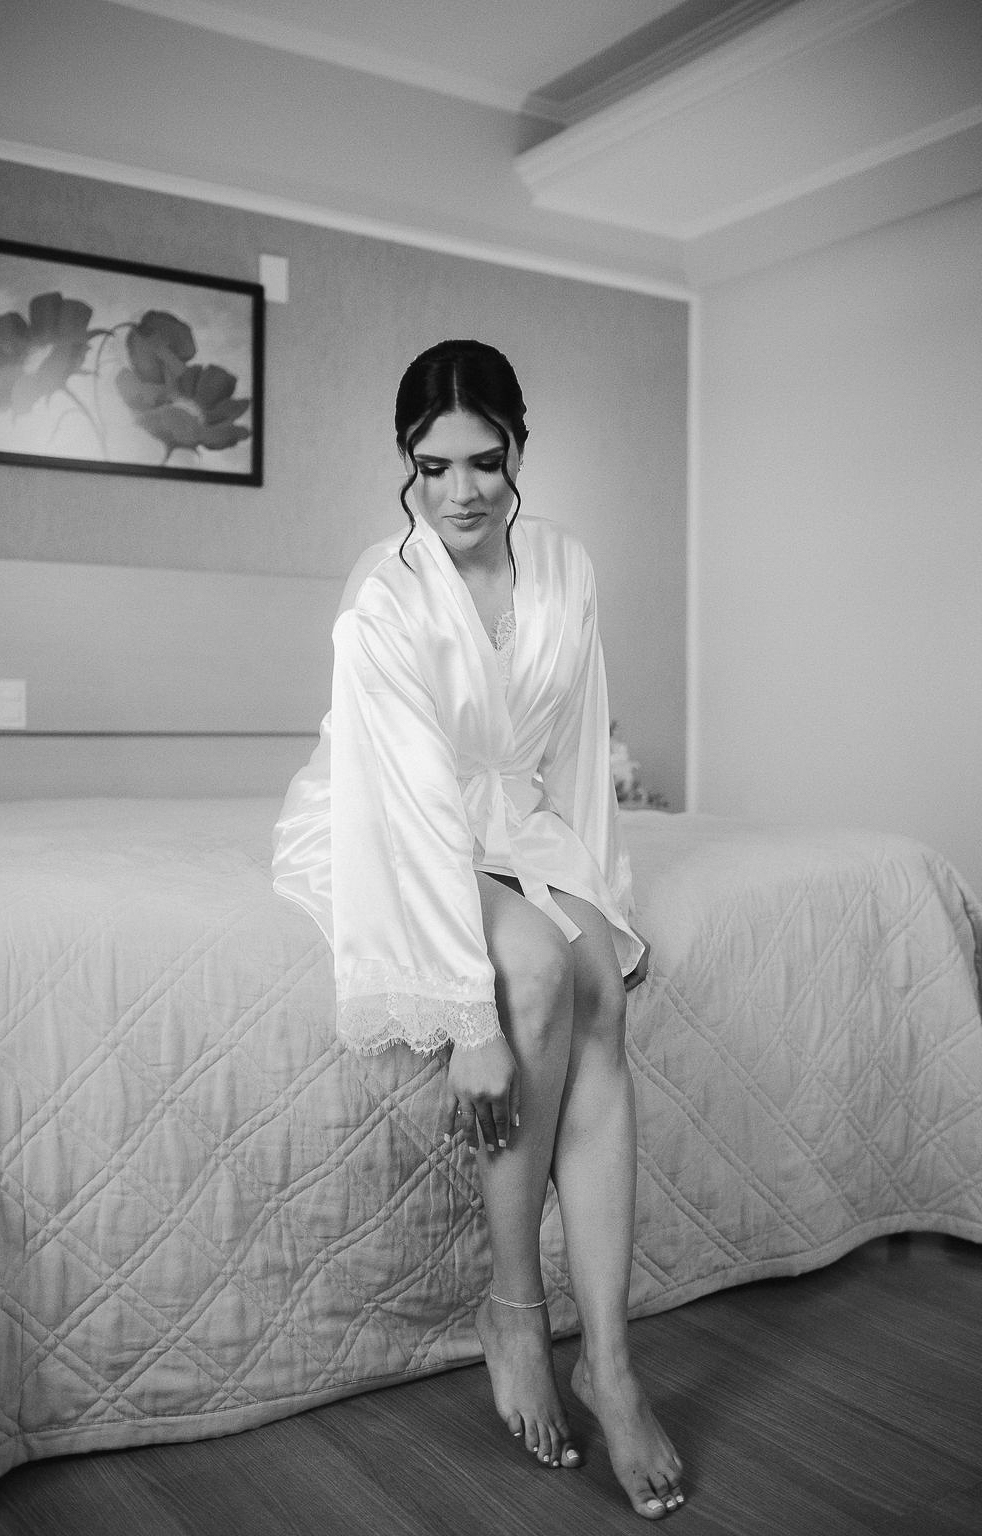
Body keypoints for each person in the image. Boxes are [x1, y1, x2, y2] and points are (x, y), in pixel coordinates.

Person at [272, 339, 684, 1520]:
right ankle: (514, 1310)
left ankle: (611, 1366)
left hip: (515, 820)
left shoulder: (564, 566)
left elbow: (580, 749)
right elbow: (407, 812)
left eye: (485, 462)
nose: (460, 491)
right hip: (388, 824)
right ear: (406, 462)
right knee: (533, 977)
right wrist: (470, 1019)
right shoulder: (384, 594)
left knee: (594, 978)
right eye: (433, 465)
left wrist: (600, 897)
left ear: (517, 451)